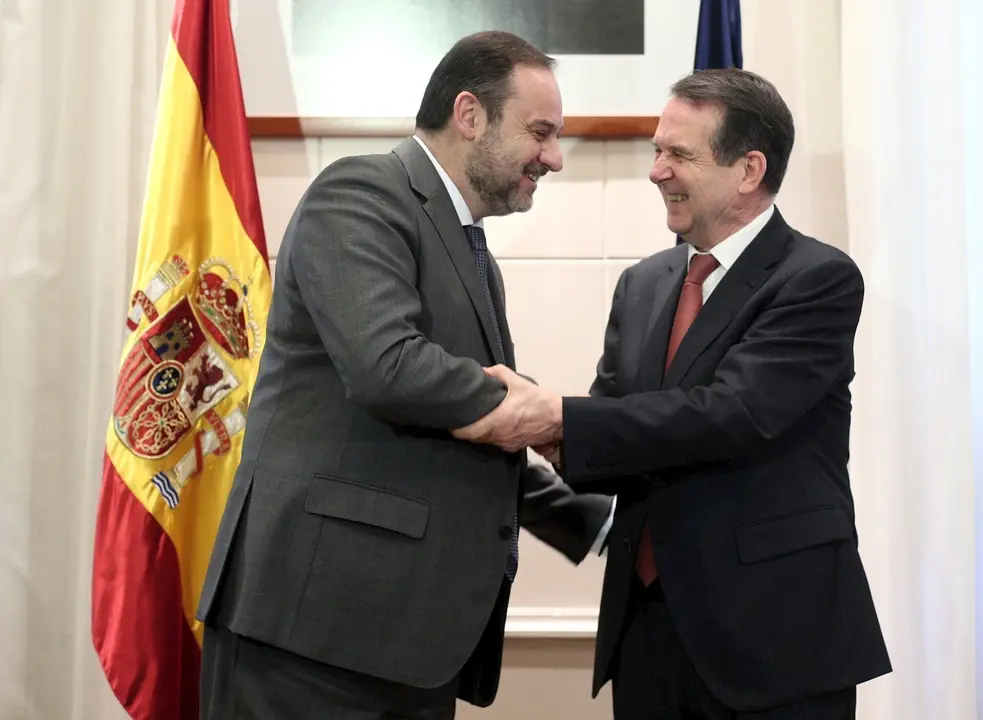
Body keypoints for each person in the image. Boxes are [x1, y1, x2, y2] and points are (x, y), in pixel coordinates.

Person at [195, 30, 614, 720]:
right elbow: (387, 368)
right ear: (470, 115)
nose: (554, 158)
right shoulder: (360, 191)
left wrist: (588, 519)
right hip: (313, 637)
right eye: (540, 132)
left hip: (402, 639)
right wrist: (547, 415)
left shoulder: (471, 252)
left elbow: (467, 425)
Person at [453, 68, 892, 719]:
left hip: (774, 636)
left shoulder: (816, 278)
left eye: (677, 154)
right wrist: (541, 430)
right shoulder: (643, 284)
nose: (656, 171)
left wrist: (558, 416)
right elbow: (611, 426)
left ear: (748, 170)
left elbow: (733, 412)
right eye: (657, 150)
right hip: (647, 632)